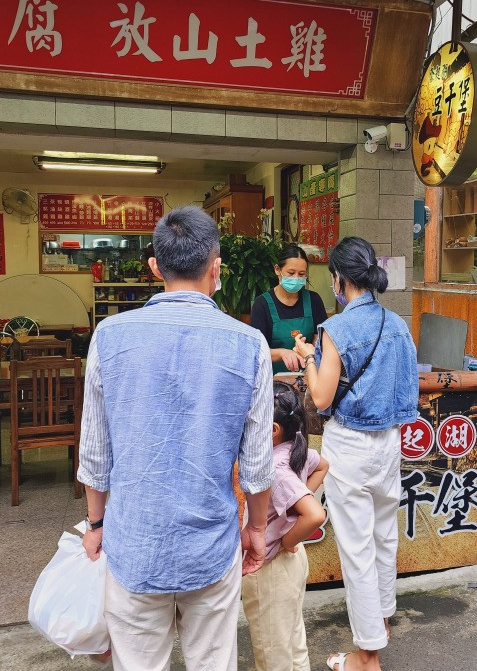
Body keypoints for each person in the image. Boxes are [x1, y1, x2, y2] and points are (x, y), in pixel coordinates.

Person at [77, 205, 274, 671]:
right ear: (216, 265)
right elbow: (258, 464)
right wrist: (259, 530)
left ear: (153, 267)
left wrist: (96, 524)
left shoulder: (109, 336)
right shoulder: (249, 345)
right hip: (211, 545)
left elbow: (95, 452)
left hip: (134, 545)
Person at [293, 237, 418, 671]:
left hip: (350, 444)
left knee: (358, 549)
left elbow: (323, 398)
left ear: (339, 279)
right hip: (389, 443)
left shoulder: (337, 329)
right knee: (385, 538)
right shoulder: (398, 324)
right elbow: (408, 392)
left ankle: (367, 656)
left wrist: (309, 357)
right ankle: (380, 619)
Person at [241, 380, 329, 671]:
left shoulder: (274, 467)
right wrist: (299, 496)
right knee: (292, 642)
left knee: (272, 654)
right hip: (292, 563)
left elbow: (314, 515)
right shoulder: (296, 448)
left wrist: (287, 540)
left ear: (274, 430)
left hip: (271, 566)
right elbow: (323, 465)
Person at [251, 244, 329, 373]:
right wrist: (282, 353)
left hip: (308, 377)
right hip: (273, 382)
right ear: (277, 269)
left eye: (302, 274)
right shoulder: (262, 304)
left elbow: (322, 340)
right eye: (291, 273)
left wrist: (313, 348)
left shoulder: (313, 300)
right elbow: (256, 350)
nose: (296, 278)